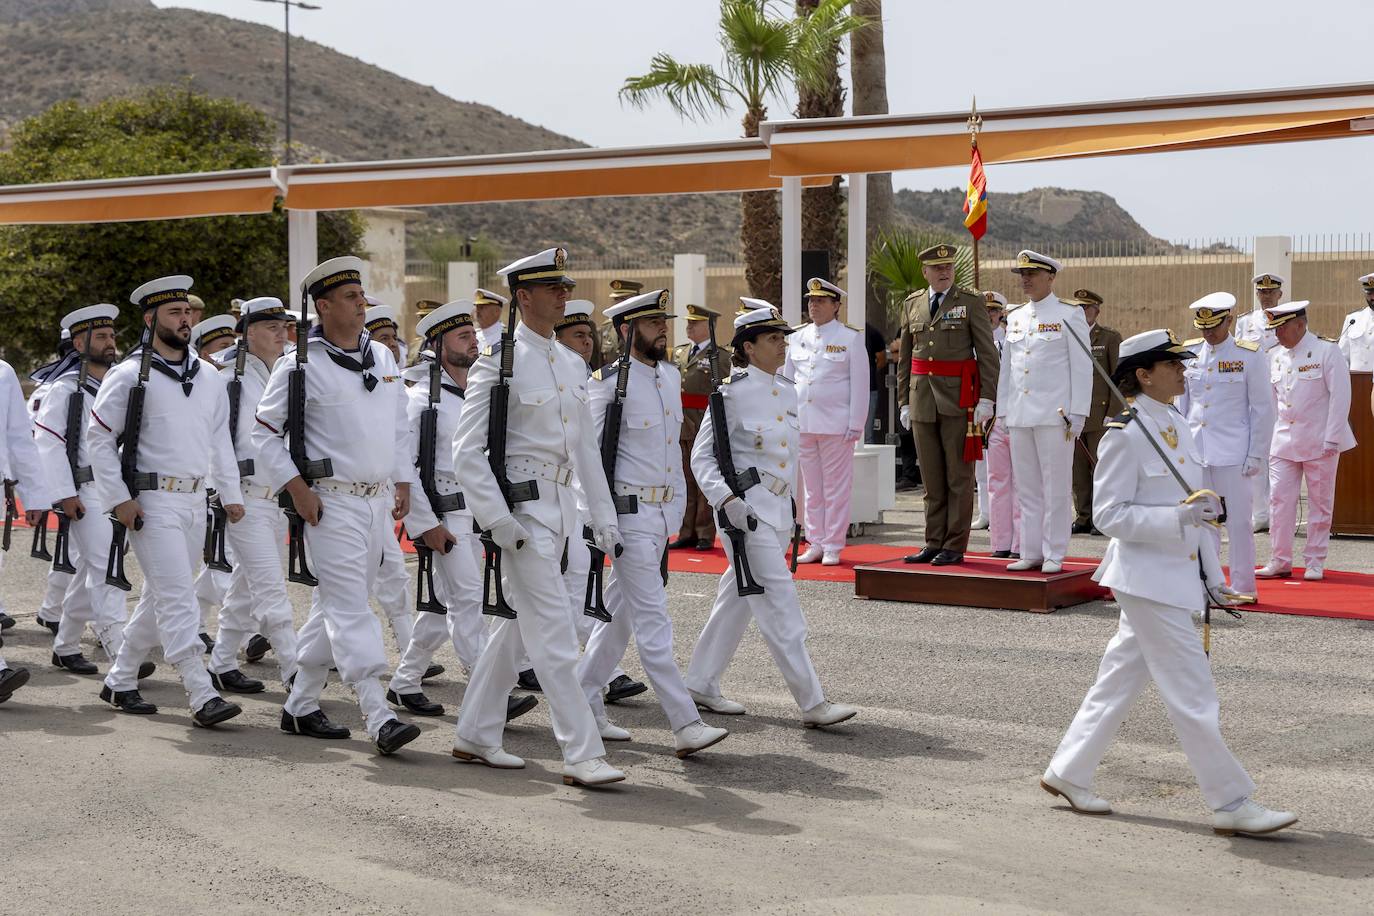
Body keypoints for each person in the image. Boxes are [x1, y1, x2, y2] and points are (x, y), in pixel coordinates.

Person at [1042, 329, 1297, 838]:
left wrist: (1210, 576)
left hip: (1175, 575)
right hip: (1146, 578)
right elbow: (1111, 516)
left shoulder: (1174, 421)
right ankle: (1232, 801)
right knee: (1193, 693)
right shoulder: (1126, 432)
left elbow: (1199, 509)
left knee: (1118, 681)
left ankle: (1068, 771)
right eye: (1173, 364)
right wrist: (1176, 519)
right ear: (1143, 374)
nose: (1184, 371)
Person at [451, 246, 627, 788]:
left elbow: (585, 453)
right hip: (522, 513)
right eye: (553, 288)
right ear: (523, 296)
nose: (564, 295)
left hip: (561, 514)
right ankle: (581, 752)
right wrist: (499, 521)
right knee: (552, 635)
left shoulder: (572, 363)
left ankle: (476, 734)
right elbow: (466, 451)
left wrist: (605, 518)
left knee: (517, 632)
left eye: (565, 287)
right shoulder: (498, 359)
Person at [253, 256, 422, 755]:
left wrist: (403, 480)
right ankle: (378, 711)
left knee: (333, 604)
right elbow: (263, 436)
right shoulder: (300, 365)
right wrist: (297, 489)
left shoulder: (384, 359)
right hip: (330, 503)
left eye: (361, 295)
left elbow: (398, 429)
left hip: (374, 502)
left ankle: (301, 703)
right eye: (350, 297)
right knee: (351, 608)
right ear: (323, 306)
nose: (362, 303)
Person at [684, 301, 857, 729]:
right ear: (749, 347)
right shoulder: (730, 394)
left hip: (778, 514)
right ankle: (813, 702)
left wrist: (793, 510)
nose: (783, 345)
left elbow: (786, 460)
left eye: (783, 337)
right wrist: (726, 502)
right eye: (773, 338)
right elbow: (702, 459)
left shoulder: (786, 391)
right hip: (746, 515)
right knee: (780, 604)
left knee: (736, 602)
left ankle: (701, 681)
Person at [574, 289, 731, 757]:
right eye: (652, 322)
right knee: (653, 622)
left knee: (618, 618)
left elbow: (670, 454)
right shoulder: (604, 384)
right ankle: (685, 723)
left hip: (658, 516)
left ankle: (583, 698)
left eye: (663, 320)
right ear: (626, 331)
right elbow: (588, 459)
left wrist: (675, 512)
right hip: (625, 517)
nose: (664, 327)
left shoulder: (665, 375)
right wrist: (597, 519)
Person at [88, 275, 244, 726]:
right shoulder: (128, 374)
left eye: (187, 312)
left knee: (161, 595)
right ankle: (199, 690)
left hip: (196, 501)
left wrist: (230, 494)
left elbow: (220, 440)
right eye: (174, 313)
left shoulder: (209, 377)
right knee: (179, 598)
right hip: (151, 500)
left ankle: (119, 680)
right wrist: (118, 498)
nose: (185, 320)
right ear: (151, 319)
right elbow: (99, 438)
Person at [388, 300, 537, 721]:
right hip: (443, 517)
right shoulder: (421, 401)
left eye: (473, 335)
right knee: (468, 600)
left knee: (439, 610)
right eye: (463, 337)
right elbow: (405, 468)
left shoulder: (473, 395)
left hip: (473, 515)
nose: (474, 343)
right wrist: (425, 525)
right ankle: (489, 692)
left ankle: (403, 683)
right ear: (438, 344)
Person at [34, 305, 153, 677]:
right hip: (84, 491)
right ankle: (119, 648)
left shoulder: (115, 384)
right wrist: (63, 493)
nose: (110, 342)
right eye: (101, 337)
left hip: (114, 489)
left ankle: (66, 645)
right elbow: (48, 442)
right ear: (79, 342)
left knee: (93, 565)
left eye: (112, 335)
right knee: (107, 567)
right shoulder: (66, 389)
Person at [205, 297, 299, 694]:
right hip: (243, 497)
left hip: (273, 496)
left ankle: (222, 662)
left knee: (244, 589)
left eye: (284, 327)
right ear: (247, 333)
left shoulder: (281, 374)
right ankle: (297, 674)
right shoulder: (229, 379)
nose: (281, 335)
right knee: (271, 591)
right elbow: (216, 441)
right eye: (272, 328)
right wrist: (227, 493)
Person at [898, 245, 999, 567]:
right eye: (937, 268)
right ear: (925, 272)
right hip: (922, 399)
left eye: (948, 267)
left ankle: (955, 544)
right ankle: (933, 541)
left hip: (958, 400)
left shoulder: (969, 303)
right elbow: (905, 359)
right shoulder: (913, 303)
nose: (944, 272)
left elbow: (987, 354)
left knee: (958, 477)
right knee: (932, 479)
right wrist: (903, 401)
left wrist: (986, 398)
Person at [994, 250, 1092, 574]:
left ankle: (1054, 552)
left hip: (1055, 415)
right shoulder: (1018, 316)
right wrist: (1003, 410)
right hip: (1021, 414)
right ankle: (1031, 549)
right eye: (1022, 274)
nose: (1025, 279)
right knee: (1027, 487)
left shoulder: (1069, 314)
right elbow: (1008, 367)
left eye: (1032, 273)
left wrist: (1079, 413)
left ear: (1050, 276)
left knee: (1056, 487)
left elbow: (1082, 368)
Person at [1178, 293, 1272, 600]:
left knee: (1239, 523)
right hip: (1197, 451)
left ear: (1229, 320)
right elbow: (1183, 408)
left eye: (1214, 326)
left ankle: (1244, 587)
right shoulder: (1190, 353)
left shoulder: (1249, 354)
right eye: (1203, 326)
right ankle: (1207, 585)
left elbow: (1261, 409)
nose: (1208, 332)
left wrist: (1256, 453)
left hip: (1234, 453)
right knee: (1202, 522)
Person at [1256, 300, 1356, 581]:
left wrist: (1333, 438)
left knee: (1320, 503)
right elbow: (1274, 402)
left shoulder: (1327, 351)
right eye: (1275, 329)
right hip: (1283, 442)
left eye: (1282, 328)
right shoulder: (1275, 356)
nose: (1277, 335)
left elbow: (1340, 398)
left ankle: (1314, 559)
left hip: (1319, 440)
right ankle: (1280, 559)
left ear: (1300, 325)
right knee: (1279, 502)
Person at [787, 278, 868, 566]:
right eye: (811, 300)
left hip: (836, 424)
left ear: (836, 306)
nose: (813, 305)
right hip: (803, 423)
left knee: (835, 488)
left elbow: (860, 384)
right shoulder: (796, 337)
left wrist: (856, 423)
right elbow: (788, 381)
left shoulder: (850, 338)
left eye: (820, 301)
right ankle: (816, 541)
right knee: (811, 489)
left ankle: (833, 544)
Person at [361, 301, 419, 655]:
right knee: (351, 587)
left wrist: (402, 484)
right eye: (383, 338)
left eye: (394, 337)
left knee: (394, 575)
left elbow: (398, 436)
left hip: (380, 493)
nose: (392, 345)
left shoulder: (390, 375)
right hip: (349, 494)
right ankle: (325, 654)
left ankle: (409, 649)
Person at [1066, 289, 1121, 535]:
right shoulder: (1066, 335)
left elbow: (1119, 378)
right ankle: (1083, 516)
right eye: (1076, 308)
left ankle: (1101, 517)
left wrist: (1113, 412)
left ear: (1096, 311)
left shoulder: (1108, 337)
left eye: (1085, 308)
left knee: (1101, 468)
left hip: (1100, 415)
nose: (1080, 313)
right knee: (1077, 470)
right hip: (1074, 413)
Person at [1232, 272, 1284, 533]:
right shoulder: (1245, 322)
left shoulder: (1287, 317)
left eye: (1270, 292)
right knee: (1256, 451)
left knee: (1278, 453)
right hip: (1253, 391)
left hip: (1280, 389)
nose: (1266, 296)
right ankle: (1259, 512)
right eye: (1262, 292)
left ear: (1279, 294)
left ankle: (1277, 511)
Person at [669, 304, 724, 551]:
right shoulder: (680, 353)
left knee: (703, 481)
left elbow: (721, 392)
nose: (689, 326)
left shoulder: (720, 357)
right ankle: (686, 531)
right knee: (685, 479)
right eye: (688, 322)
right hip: (682, 422)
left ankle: (704, 533)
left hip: (703, 422)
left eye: (695, 323)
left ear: (709, 326)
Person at [981, 293, 1021, 558]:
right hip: (991, 417)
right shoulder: (975, 342)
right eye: (985, 311)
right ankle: (1000, 542)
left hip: (1018, 416)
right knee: (995, 481)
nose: (990, 316)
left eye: (994, 311)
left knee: (1020, 484)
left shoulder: (1012, 341)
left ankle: (1021, 543)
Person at [1337, 272, 1374, 371]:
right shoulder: (1353, 319)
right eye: (1369, 293)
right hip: (1356, 383)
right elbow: (1342, 356)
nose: (1372, 297)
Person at [473, 288, 508, 352]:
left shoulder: (506, 337)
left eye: (482, 308)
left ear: (496, 311)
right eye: (477, 307)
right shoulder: (474, 335)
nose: (477, 311)